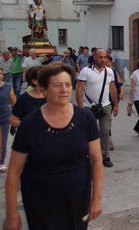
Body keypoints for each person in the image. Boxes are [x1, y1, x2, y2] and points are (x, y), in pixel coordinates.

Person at [3, 63, 103, 230]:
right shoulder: (29, 124)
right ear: (43, 89)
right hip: (40, 201)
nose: (64, 90)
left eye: (68, 84)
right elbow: (14, 172)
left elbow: (96, 161)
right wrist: (11, 214)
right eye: (57, 85)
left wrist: (97, 199)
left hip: (77, 198)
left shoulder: (85, 118)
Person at [76, 49, 119, 168]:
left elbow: (113, 89)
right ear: (94, 57)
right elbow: (79, 88)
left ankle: (105, 155)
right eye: (101, 57)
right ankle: (88, 155)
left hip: (105, 106)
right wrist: (80, 107)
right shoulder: (86, 71)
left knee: (105, 131)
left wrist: (115, 105)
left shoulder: (109, 71)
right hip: (89, 107)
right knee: (89, 132)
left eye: (105, 57)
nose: (103, 60)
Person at [9, 66, 46, 136]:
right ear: (34, 81)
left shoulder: (52, 97)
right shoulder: (23, 99)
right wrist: (29, 126)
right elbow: (13, 120)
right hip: (28, 139)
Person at [0, 67, 16, 172]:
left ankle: (1, 161)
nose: (0, 75)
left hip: (4, 115)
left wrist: (15, 118)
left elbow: (13, 101)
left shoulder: (8, 86)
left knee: (3, 140)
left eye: (0, 73)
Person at [106, 55, 123, 150]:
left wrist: (121, 92)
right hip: (100, 100)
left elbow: (120, 84)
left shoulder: (114, 72)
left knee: (107, 119)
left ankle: (109, 139)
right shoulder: (99, 72)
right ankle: (107, 138)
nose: (106, 62)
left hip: (112, 99)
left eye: (108, 61)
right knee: (105, 119)